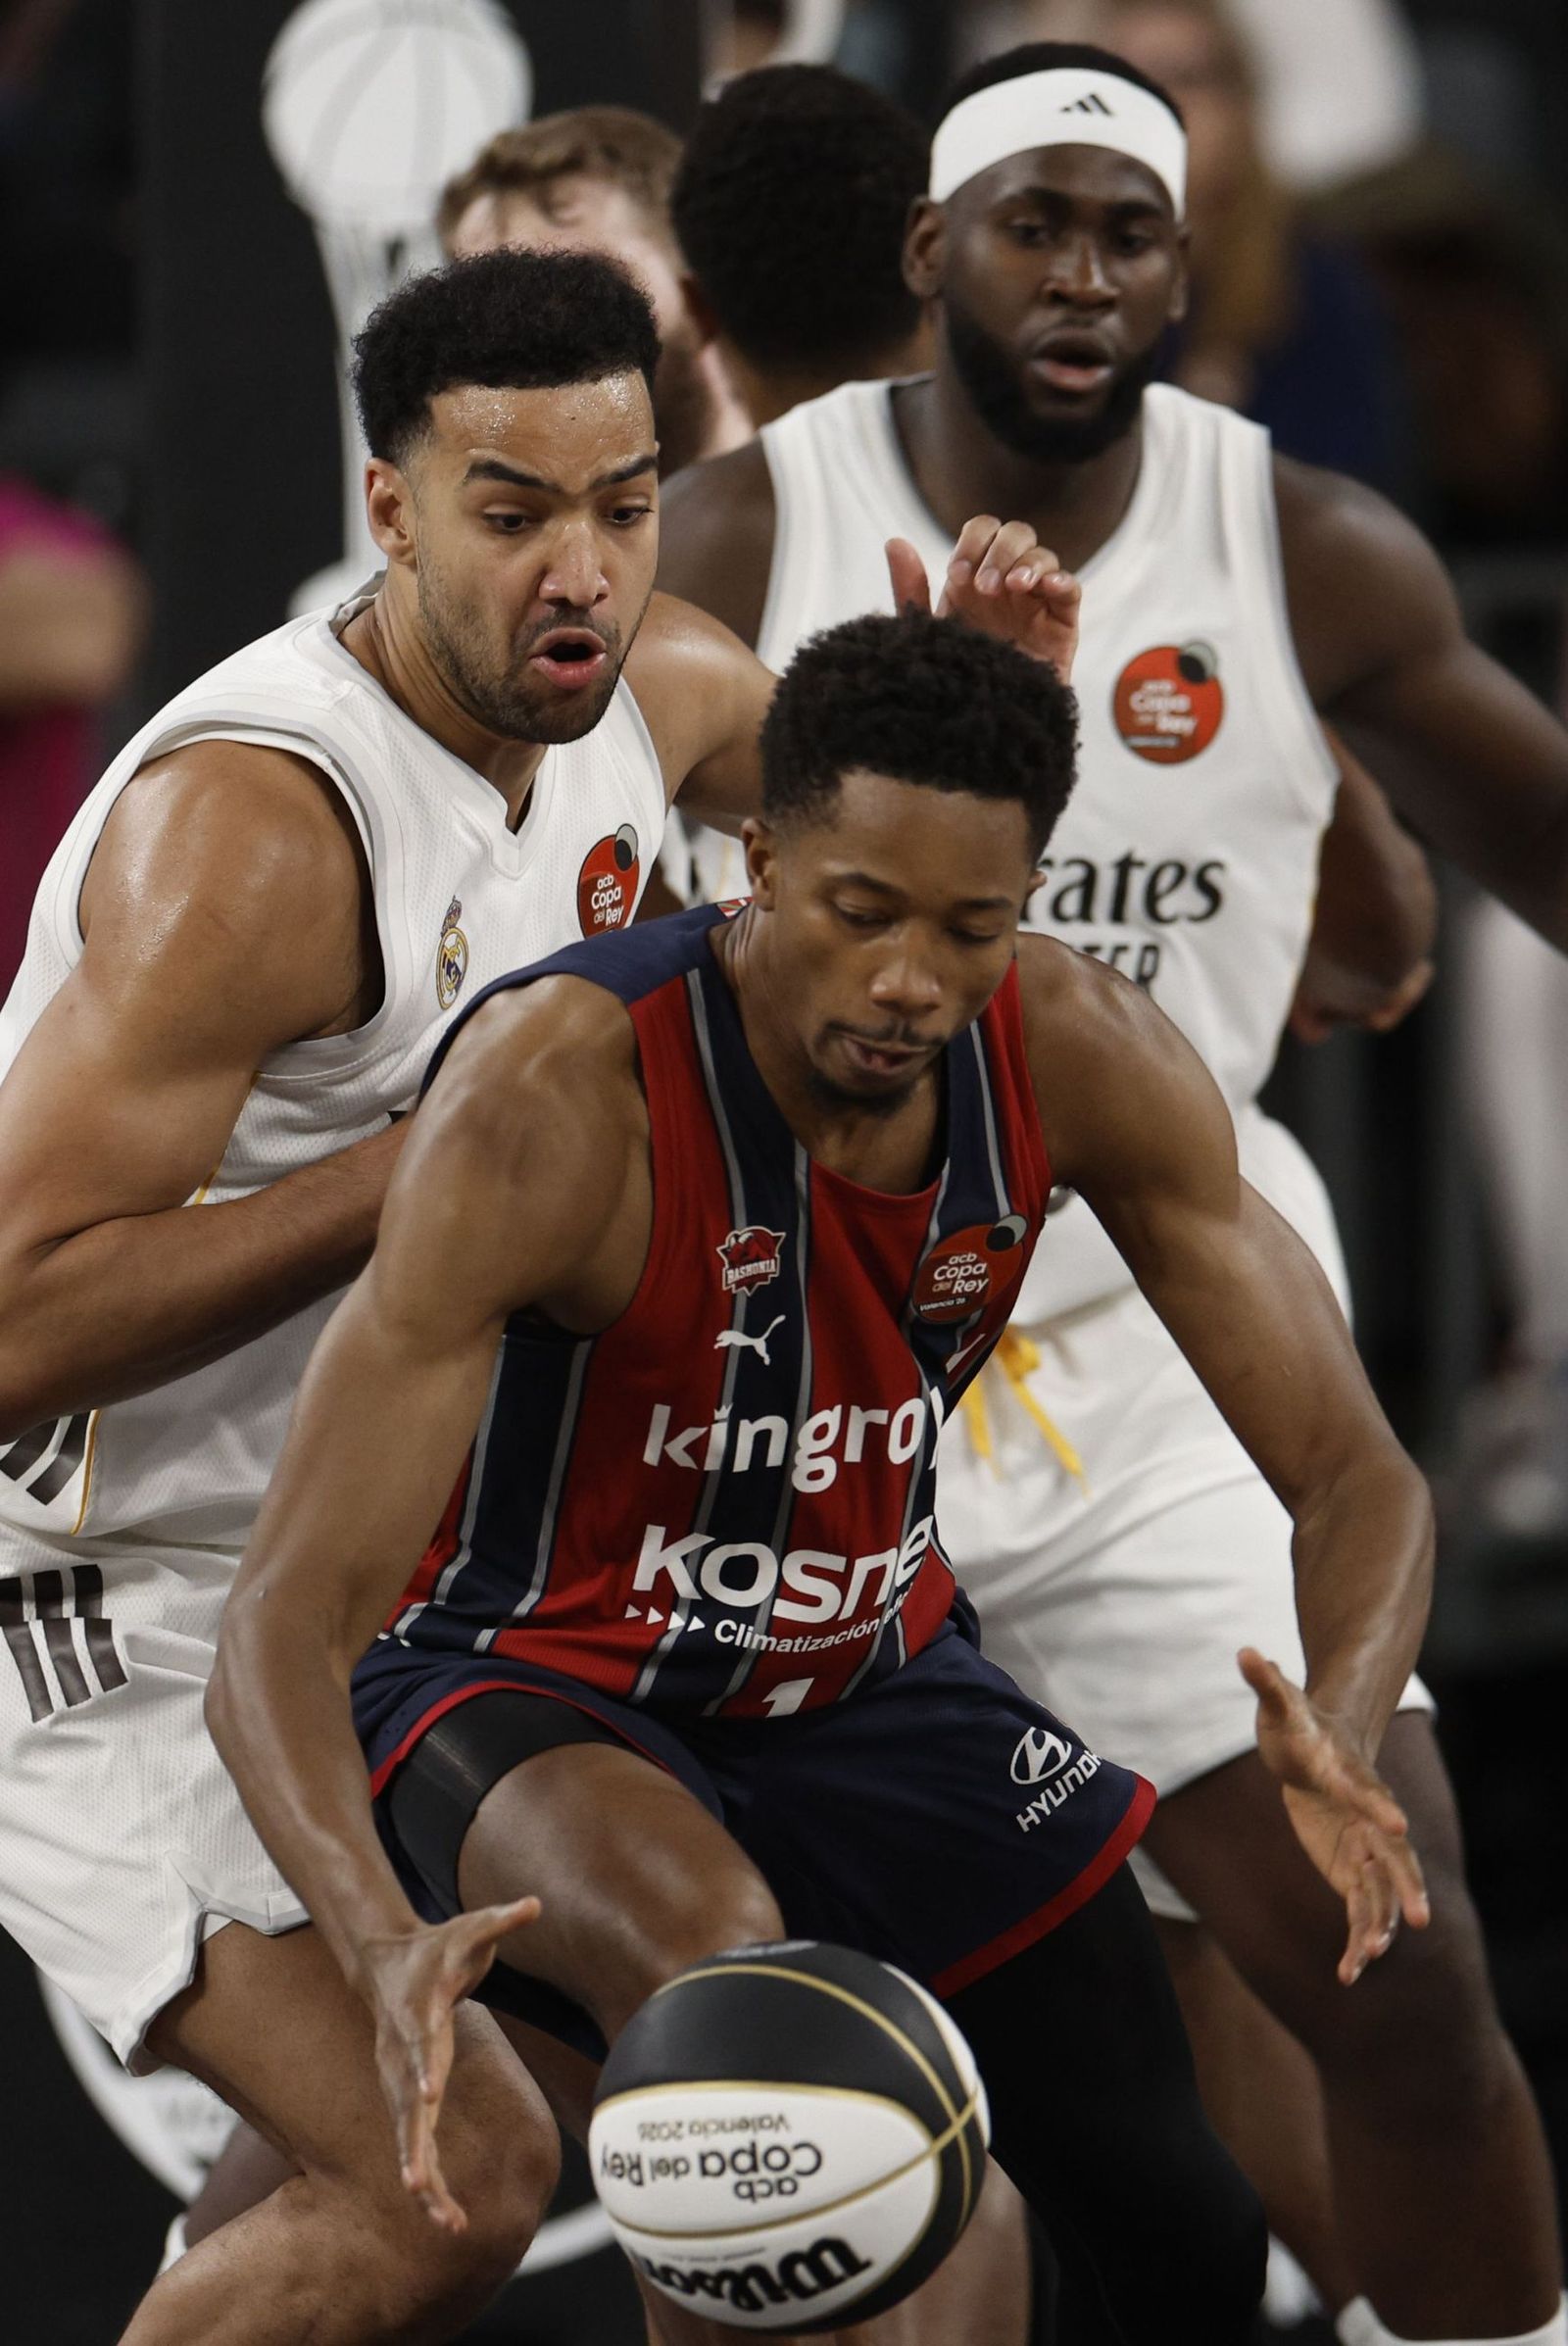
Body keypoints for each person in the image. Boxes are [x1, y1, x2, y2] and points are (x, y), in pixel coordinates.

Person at [0, 240, 1073, 2344]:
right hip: (119, 1595)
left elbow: (889, 892)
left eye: (621, 501)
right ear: (391, 509)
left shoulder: (657, 692)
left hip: (429, 1574)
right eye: (509, 513)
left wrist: (966, 704)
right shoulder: (252, 836)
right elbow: (13, 1326)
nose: (574, 568)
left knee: (733, 2098)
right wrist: (442, 1171)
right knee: (459, 2177)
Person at [210, 607, 1436, 2345]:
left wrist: (1350, 1710)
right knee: (745, 2050)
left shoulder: (1079, 1051)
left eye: (971, 926)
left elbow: (1356, 1472)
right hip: (532, 1676)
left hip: (866, 1670)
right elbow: (285, 1615)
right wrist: (368, 1931)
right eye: (861, 913)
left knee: (1184, 2225)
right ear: (761, 856)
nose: (912, 981)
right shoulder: (553, 1097)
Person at [655, 43, 1568, 2345]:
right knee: (756, 2093)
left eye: (1126, 233)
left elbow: (1448, 896)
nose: (1079, 277)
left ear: (1184, 265)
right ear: (921, 255)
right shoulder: (742, 530)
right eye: (1030, 225)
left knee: (1397, 1955)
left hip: (1161, 1337)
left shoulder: (1302, 547)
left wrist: (1349, 883)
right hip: (811, 1362)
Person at [439, 106, 750, 480]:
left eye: (588, 290)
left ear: (700, 299)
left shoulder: (815, 514)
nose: (529, 338)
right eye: (487, 309)